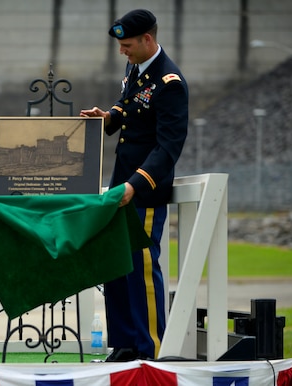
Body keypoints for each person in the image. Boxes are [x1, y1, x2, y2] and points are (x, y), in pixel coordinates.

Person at [80, 9, 188, 362]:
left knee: (141, 265)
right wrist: (109, 116)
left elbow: (168, 145)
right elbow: (129, 107)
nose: (122, 52)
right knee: (116, 264)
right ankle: (125, 345)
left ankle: (151, 348)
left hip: (142, 190)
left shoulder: (170, 82)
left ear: (147, 40)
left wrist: (136, 185)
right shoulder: (136, 71)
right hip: (121, 186)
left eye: (127, 45)